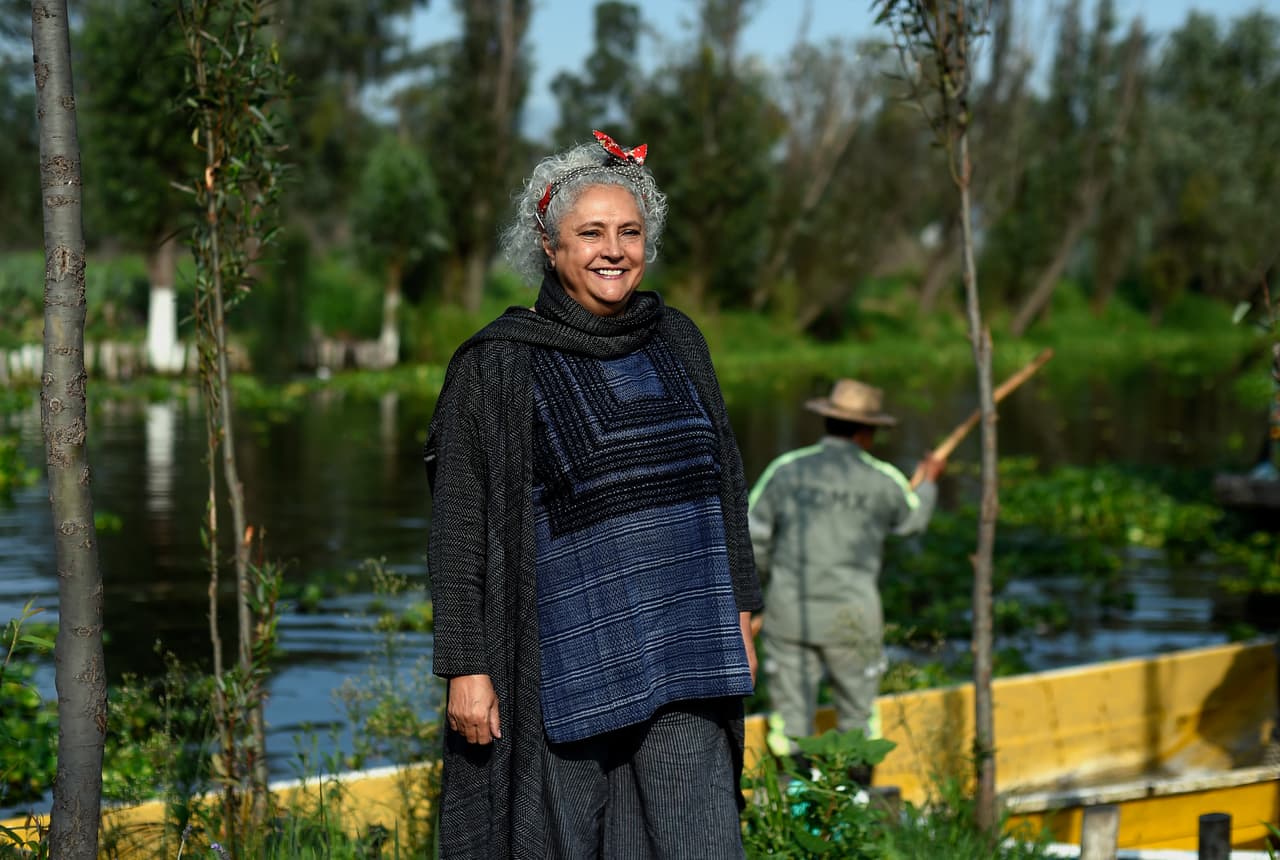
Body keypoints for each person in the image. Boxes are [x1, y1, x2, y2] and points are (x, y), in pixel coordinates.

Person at [424, 130, 763, 859]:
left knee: (699, 842)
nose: (613, 250)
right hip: (563, 666)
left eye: (629, 233)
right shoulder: (497, 365)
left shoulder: (678, 338)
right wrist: (466, 666)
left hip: (688, 649)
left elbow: (726, 476)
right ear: (550, 248)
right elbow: (457, 526)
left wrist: (743, 603)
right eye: (591, 234)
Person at [747, 379, 945, 753]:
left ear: (828, 422)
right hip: (853, 618)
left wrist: (769, 588)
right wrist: (929, 481)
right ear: (867, 432)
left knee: (789, 725)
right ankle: (859, 799)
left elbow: (751, 537)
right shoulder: (883, 479)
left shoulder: (786, 470)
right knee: (858, 720)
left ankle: (793, 803)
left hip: (789, 613)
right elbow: (911, 521)